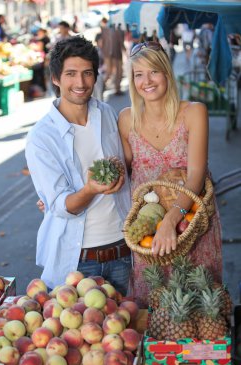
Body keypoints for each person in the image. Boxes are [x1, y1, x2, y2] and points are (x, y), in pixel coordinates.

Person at [118, 41, 222, 307]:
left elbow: (196, 176)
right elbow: (122, 168)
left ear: (166, 73)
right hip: (148, 233)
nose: (146, 81)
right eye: (138, 74)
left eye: (153, 71)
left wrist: (170, 220)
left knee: (197, 308)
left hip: (191, 227)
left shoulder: (194, 112)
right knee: (155, 306)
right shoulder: (127, 119)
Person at [25, 36, 132, 294]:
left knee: (130, 327)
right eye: (70, 74)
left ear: (95, 76)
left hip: (123, 252)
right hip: (79, 261)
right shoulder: (41, 138)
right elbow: (61, 206)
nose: (80, 83)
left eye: (87, 73)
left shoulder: (106, 113)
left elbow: (127, 166)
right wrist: (89, 190)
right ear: (55, 78)